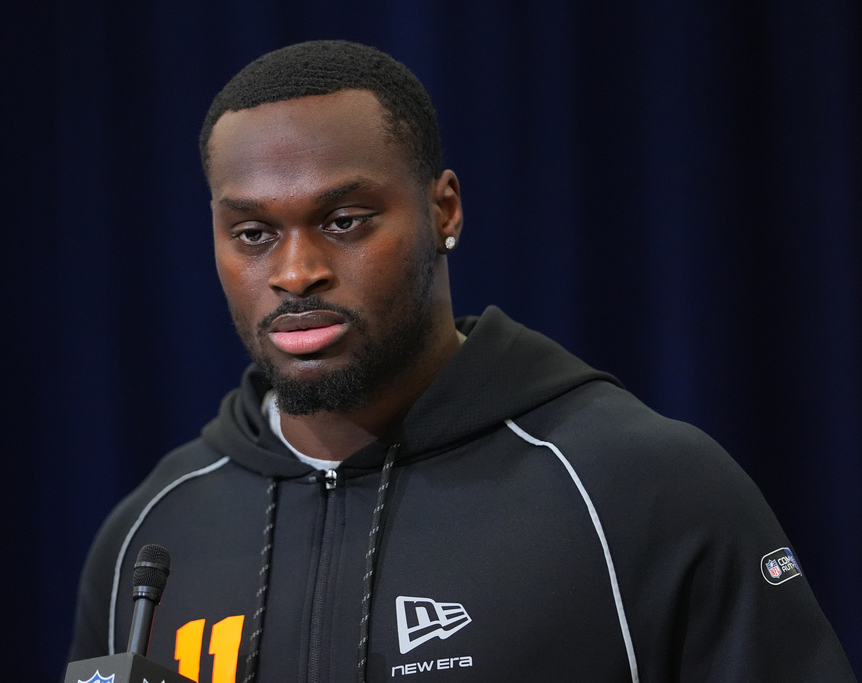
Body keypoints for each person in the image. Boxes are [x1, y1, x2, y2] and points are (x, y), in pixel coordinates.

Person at [68, 40, 854, 682]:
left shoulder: (644, 486)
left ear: (444, 208)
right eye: (253, 234)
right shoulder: (147, 535)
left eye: (343, 220)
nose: (295, 270)